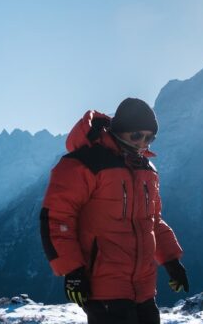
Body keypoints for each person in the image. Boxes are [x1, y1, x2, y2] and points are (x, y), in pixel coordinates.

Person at [40, 98, 188, 324]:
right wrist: (72, 271)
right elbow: (57, 219)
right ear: (119, 131)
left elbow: (152, 221)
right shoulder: (85, 163)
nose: (143, 143)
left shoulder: (147, 170)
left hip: (144, 288)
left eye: (150, 137)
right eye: (137, 136)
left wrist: (171, 261)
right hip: (104, 288)